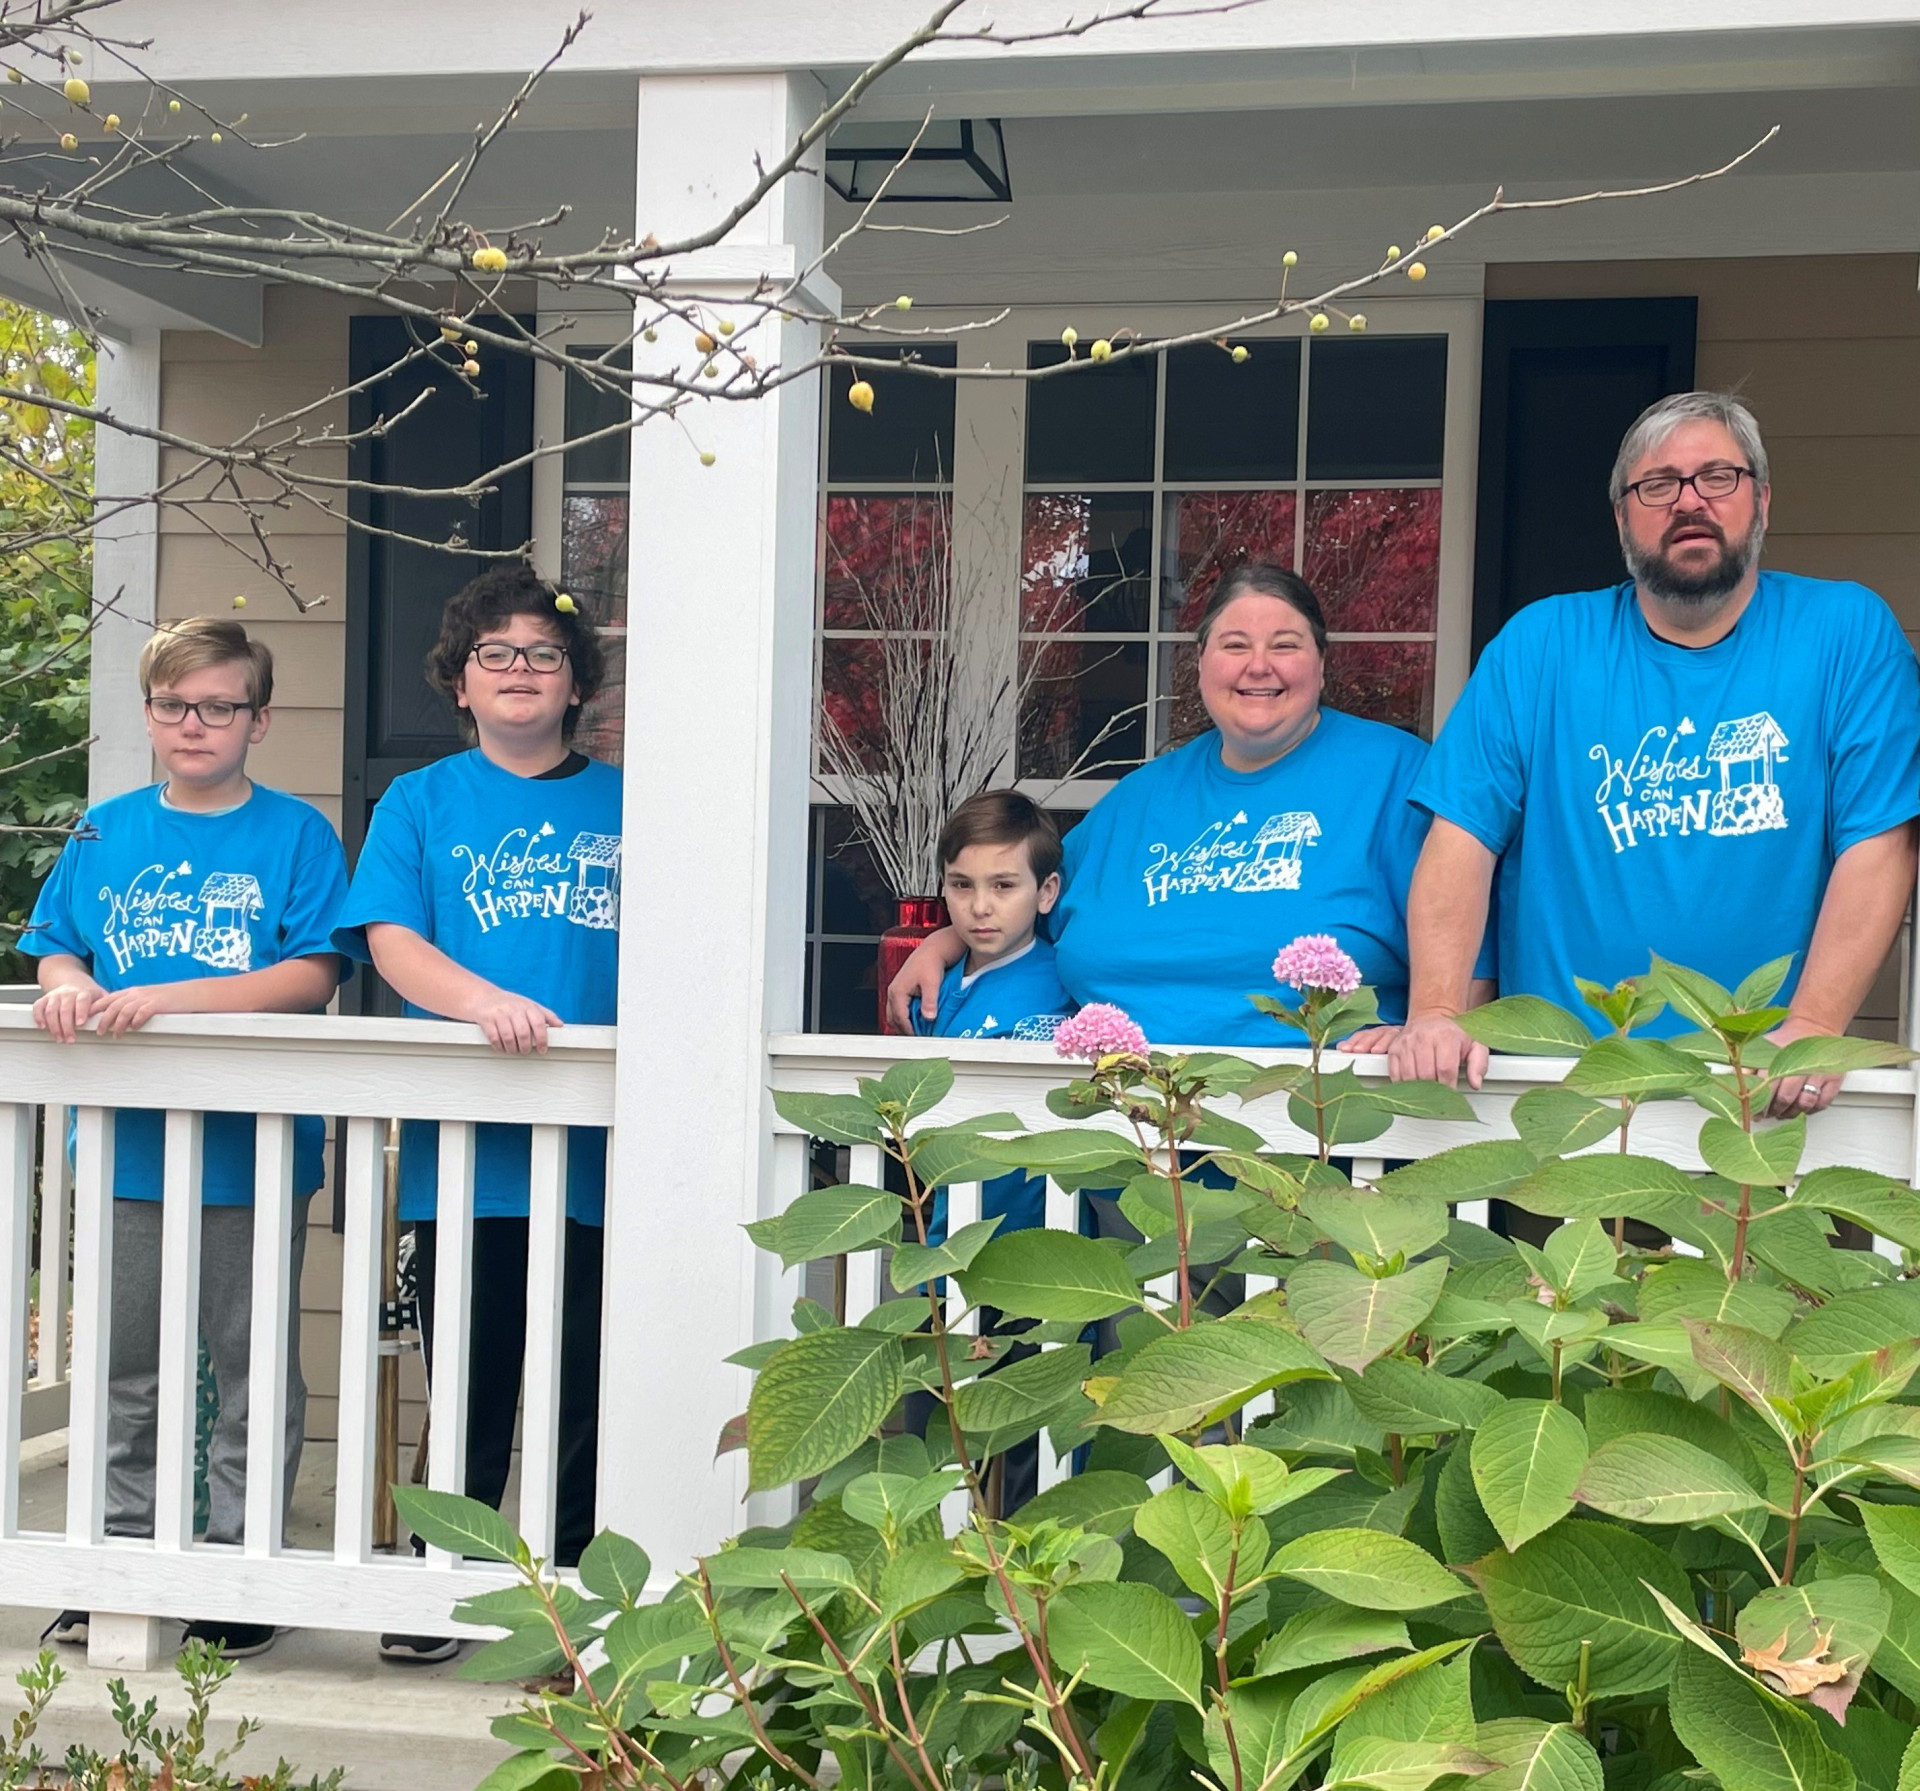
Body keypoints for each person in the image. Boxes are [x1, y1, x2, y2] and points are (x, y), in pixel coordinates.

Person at [1386, 390, 1920, 1116]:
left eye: (1718, 478)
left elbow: (1881, 841)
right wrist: (1439, 1012)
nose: (1689, 501)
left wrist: (1814, 1027)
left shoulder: (1846, 633)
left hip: (1758, 1087)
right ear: (1621, 516)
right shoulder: (1541, 645)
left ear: (1762, 500)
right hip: (1555, 1093)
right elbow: (1462, 837)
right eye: (1658, 485)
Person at [24, 616, 346, 1660]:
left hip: (250, 1153)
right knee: (125, 1367)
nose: (193, 723)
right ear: (150, 715)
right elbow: (57, 950)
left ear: (259, 718)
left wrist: (166, 999)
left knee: (252, 1366)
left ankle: (240, 1564)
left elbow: (311, 975)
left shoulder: (295, 834)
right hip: (124, 1150)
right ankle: (117, 1553)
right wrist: (70, 989)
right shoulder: (103, 832)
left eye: (218, 705)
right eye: (173, 705)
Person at [332, 566, 620, 1664]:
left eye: (543, 655)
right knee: (472, 1372)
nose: (518, 671)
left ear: (574, 681)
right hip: (470, 1154)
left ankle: (568, 1602)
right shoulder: (422, 802)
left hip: (608, 1147)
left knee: (586, 1377)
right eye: (493, 654)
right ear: (459, 682)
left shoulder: (631, 800)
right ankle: (448, 1584)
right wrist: (486, 1002)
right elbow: (393, 941)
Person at [890, 561, 1484, 1043]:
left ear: (1322, 665)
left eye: (1285, 644)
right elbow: (1024, 896)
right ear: (1199, 664)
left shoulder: (1397, 774)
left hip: (1324, 1134)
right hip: (1125, 1144)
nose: (1259, 666)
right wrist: (943, 943)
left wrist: (1428, 1027)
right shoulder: (1142, 798)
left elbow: (1482, 937)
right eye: (1234, 645)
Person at [910, 791, 1071, 1514]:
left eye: (1003, 886)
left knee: (1040, 1444)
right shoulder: (934, 993)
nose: (979, 907)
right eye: (961, 885)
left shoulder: (1069, 979)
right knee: (939, 1439)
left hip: (1044, 1249)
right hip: (948, 1249)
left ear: (1045, 892)